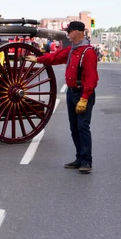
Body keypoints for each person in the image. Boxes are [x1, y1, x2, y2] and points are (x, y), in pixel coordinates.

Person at [26, 21, 98, 174]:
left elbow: (91, 78)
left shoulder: (88, 52)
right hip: (71, 93)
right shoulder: (73, 50)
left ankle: (86, 161)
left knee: (83, 127)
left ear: (77, 32)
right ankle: (79, 157)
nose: (67, 34)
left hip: (82, 93)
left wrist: (84, 98)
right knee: (74, 128)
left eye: (69, 31)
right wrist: (38, 60)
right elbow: (56, 57)